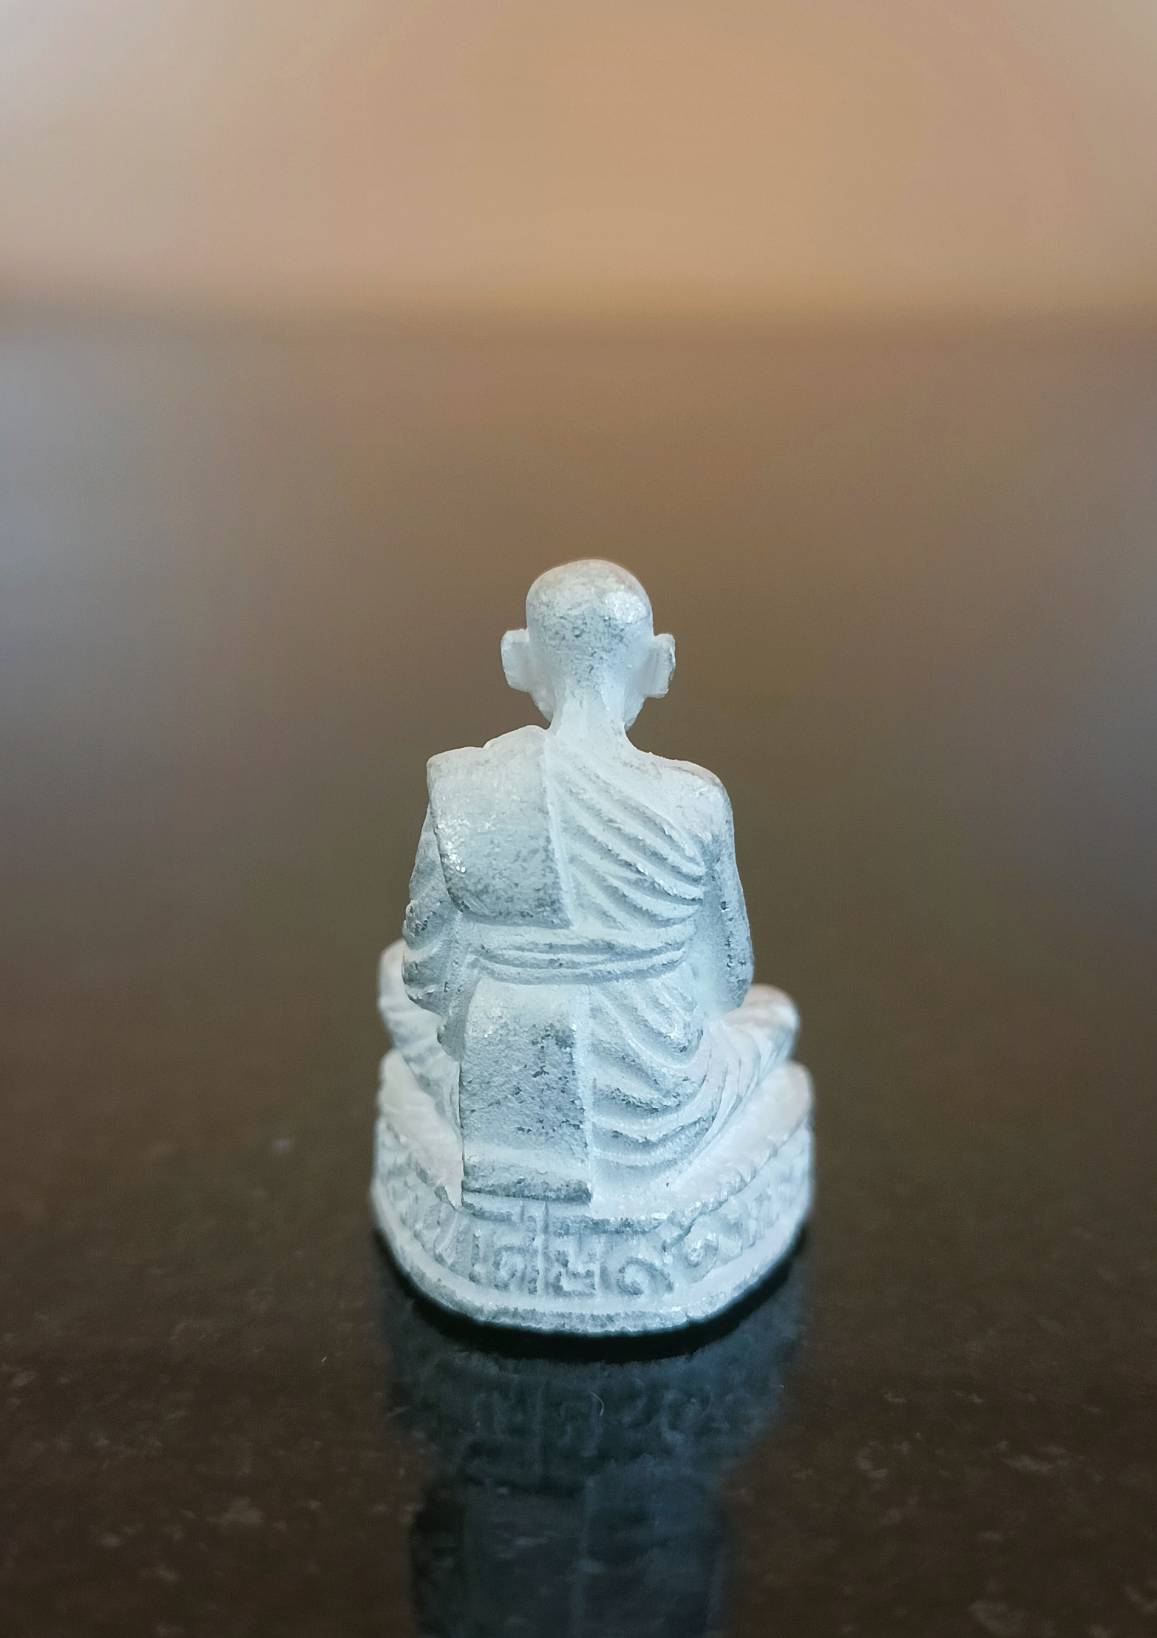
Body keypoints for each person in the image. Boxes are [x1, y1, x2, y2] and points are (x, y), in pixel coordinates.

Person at [380, 560, 796, 1203]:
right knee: (774, 1016)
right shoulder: (695, 799)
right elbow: (729, 982)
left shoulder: (472, 788)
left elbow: (426, 978)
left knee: (389, 977)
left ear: (517, 659)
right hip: (656, 1106)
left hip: (503, 1091)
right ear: (660, 663)